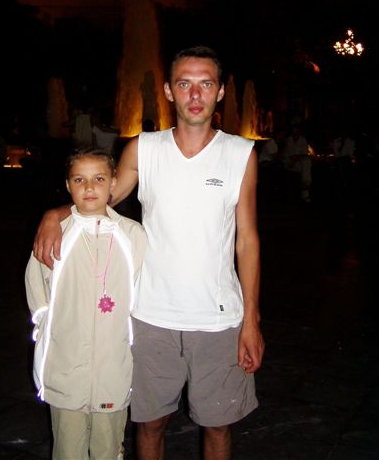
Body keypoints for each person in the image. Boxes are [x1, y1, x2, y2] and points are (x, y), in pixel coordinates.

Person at [33, 46, 264, 460]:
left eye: (206, 84)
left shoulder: (240, 154)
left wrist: (251, 320)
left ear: (220, 92)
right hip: (152, 316)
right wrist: (55, 214)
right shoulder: (144, 148)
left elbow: (247, 240)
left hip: (218, 319)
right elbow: (99, 199)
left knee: (218, 426)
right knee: (149, 424)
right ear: (169, 91)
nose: (195, 94)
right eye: (185, 84)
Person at [25, 148, 147, 460]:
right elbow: (37, 286)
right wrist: (46, 329)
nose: (90, 187)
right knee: (68, 448)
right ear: (68, 185)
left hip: (113, 368)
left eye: (99, 179)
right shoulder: (56, 234)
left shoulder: (133, 235)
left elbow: (142, 290)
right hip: (66, 367)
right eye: (79, 180)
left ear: (114, 182)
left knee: (108, 448)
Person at [281, 123, 313, 203]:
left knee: (306, 163)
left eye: (297, 132)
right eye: (294, 132)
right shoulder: (288, 140)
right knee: (306, 164)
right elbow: (288, 155)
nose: (295, 133)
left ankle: (305, 188)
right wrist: (293, 160)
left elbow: (304, 153)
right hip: (289, 162)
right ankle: (305, 192)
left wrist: (297, 158)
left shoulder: (303, 140)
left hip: (298, 161)